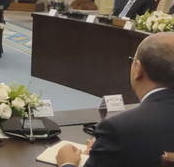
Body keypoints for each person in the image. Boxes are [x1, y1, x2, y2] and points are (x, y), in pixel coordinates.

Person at [56, 32, 174, 167]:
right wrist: (106, 149)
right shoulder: (122, 132)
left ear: (138, 69)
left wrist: (67, 162)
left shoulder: (120, 129)